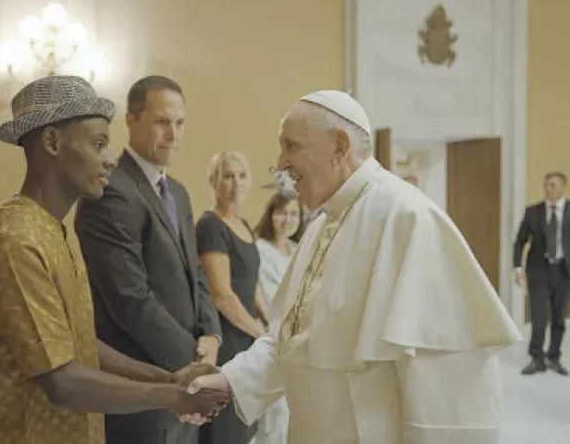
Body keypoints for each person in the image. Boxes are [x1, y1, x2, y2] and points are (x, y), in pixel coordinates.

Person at [185, 90, 523, 443]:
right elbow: (291, 340)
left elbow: (447, 387)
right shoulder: (321, 225)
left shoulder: (408, 218)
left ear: (339, 146)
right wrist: (230, 380)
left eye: (292, 146)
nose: (281, 164)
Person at [0, 75, 228, 444]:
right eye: (98, 145)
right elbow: (62, 381)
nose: (110, 160)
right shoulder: (12, 239)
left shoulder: (53, 231)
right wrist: (174, 395)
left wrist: (170, 378)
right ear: (53, 142)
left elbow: (81, 344)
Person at [74, 75, 222, 444]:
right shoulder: (110, 191)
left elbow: (195, 272)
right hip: (143, 386)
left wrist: (211, 333)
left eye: (180, 122)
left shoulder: (179, 193)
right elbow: (129, 298)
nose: (173, 133)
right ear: (131, 120)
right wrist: (192, 365)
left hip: (187, 378)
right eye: (161, 121)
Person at [195, 152, 267, 444]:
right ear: (214, 182)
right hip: (227, 340)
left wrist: (271, 324)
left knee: (246, 429)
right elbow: (222, 295)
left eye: (242, 175)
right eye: (228, 176)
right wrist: (260, 332)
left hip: (248, 337)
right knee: (226, 431)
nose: (236, 183)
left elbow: (252, 284)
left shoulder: (244, 225)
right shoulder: (211, 226)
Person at [251, 190, 306, 444]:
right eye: (282, 213)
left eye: (294, 214)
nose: (288, 219)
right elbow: (256, 290)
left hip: (297, 336)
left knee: (292, 412)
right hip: (270, 332)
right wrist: (270, 324)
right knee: (271, 413)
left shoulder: (298, 250)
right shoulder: (259, 249)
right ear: (271, 215)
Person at [514, 172, 570, 375]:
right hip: (539, 270)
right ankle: (536, 357)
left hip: (563, 271)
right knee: (538, 318)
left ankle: (554, 356)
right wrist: (518, 268)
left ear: (563, 187)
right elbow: (520, 241)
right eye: (546, 185)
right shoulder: (533, 212)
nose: (548, 189)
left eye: (553, 185)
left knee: (559, 318)